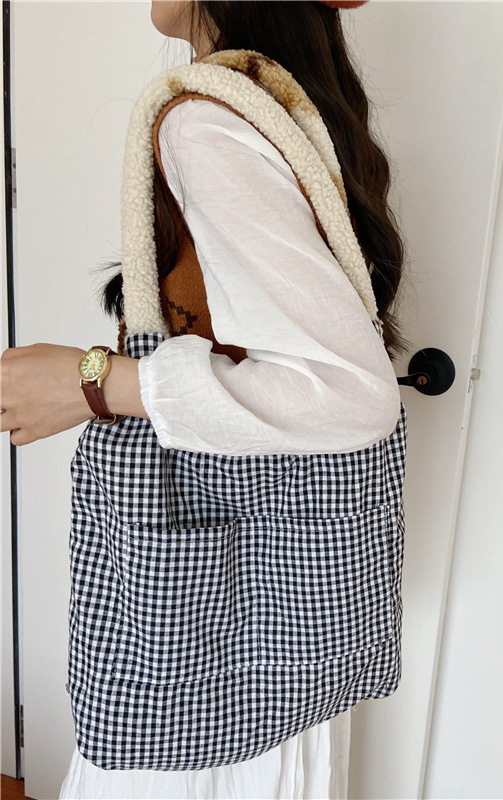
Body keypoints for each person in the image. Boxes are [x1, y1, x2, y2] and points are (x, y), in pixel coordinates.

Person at [1, 1, 408, 798]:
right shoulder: (293, 112)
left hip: (212, 675)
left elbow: (350, 392)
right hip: (286, 644)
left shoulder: (204, 123)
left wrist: (93, 382)